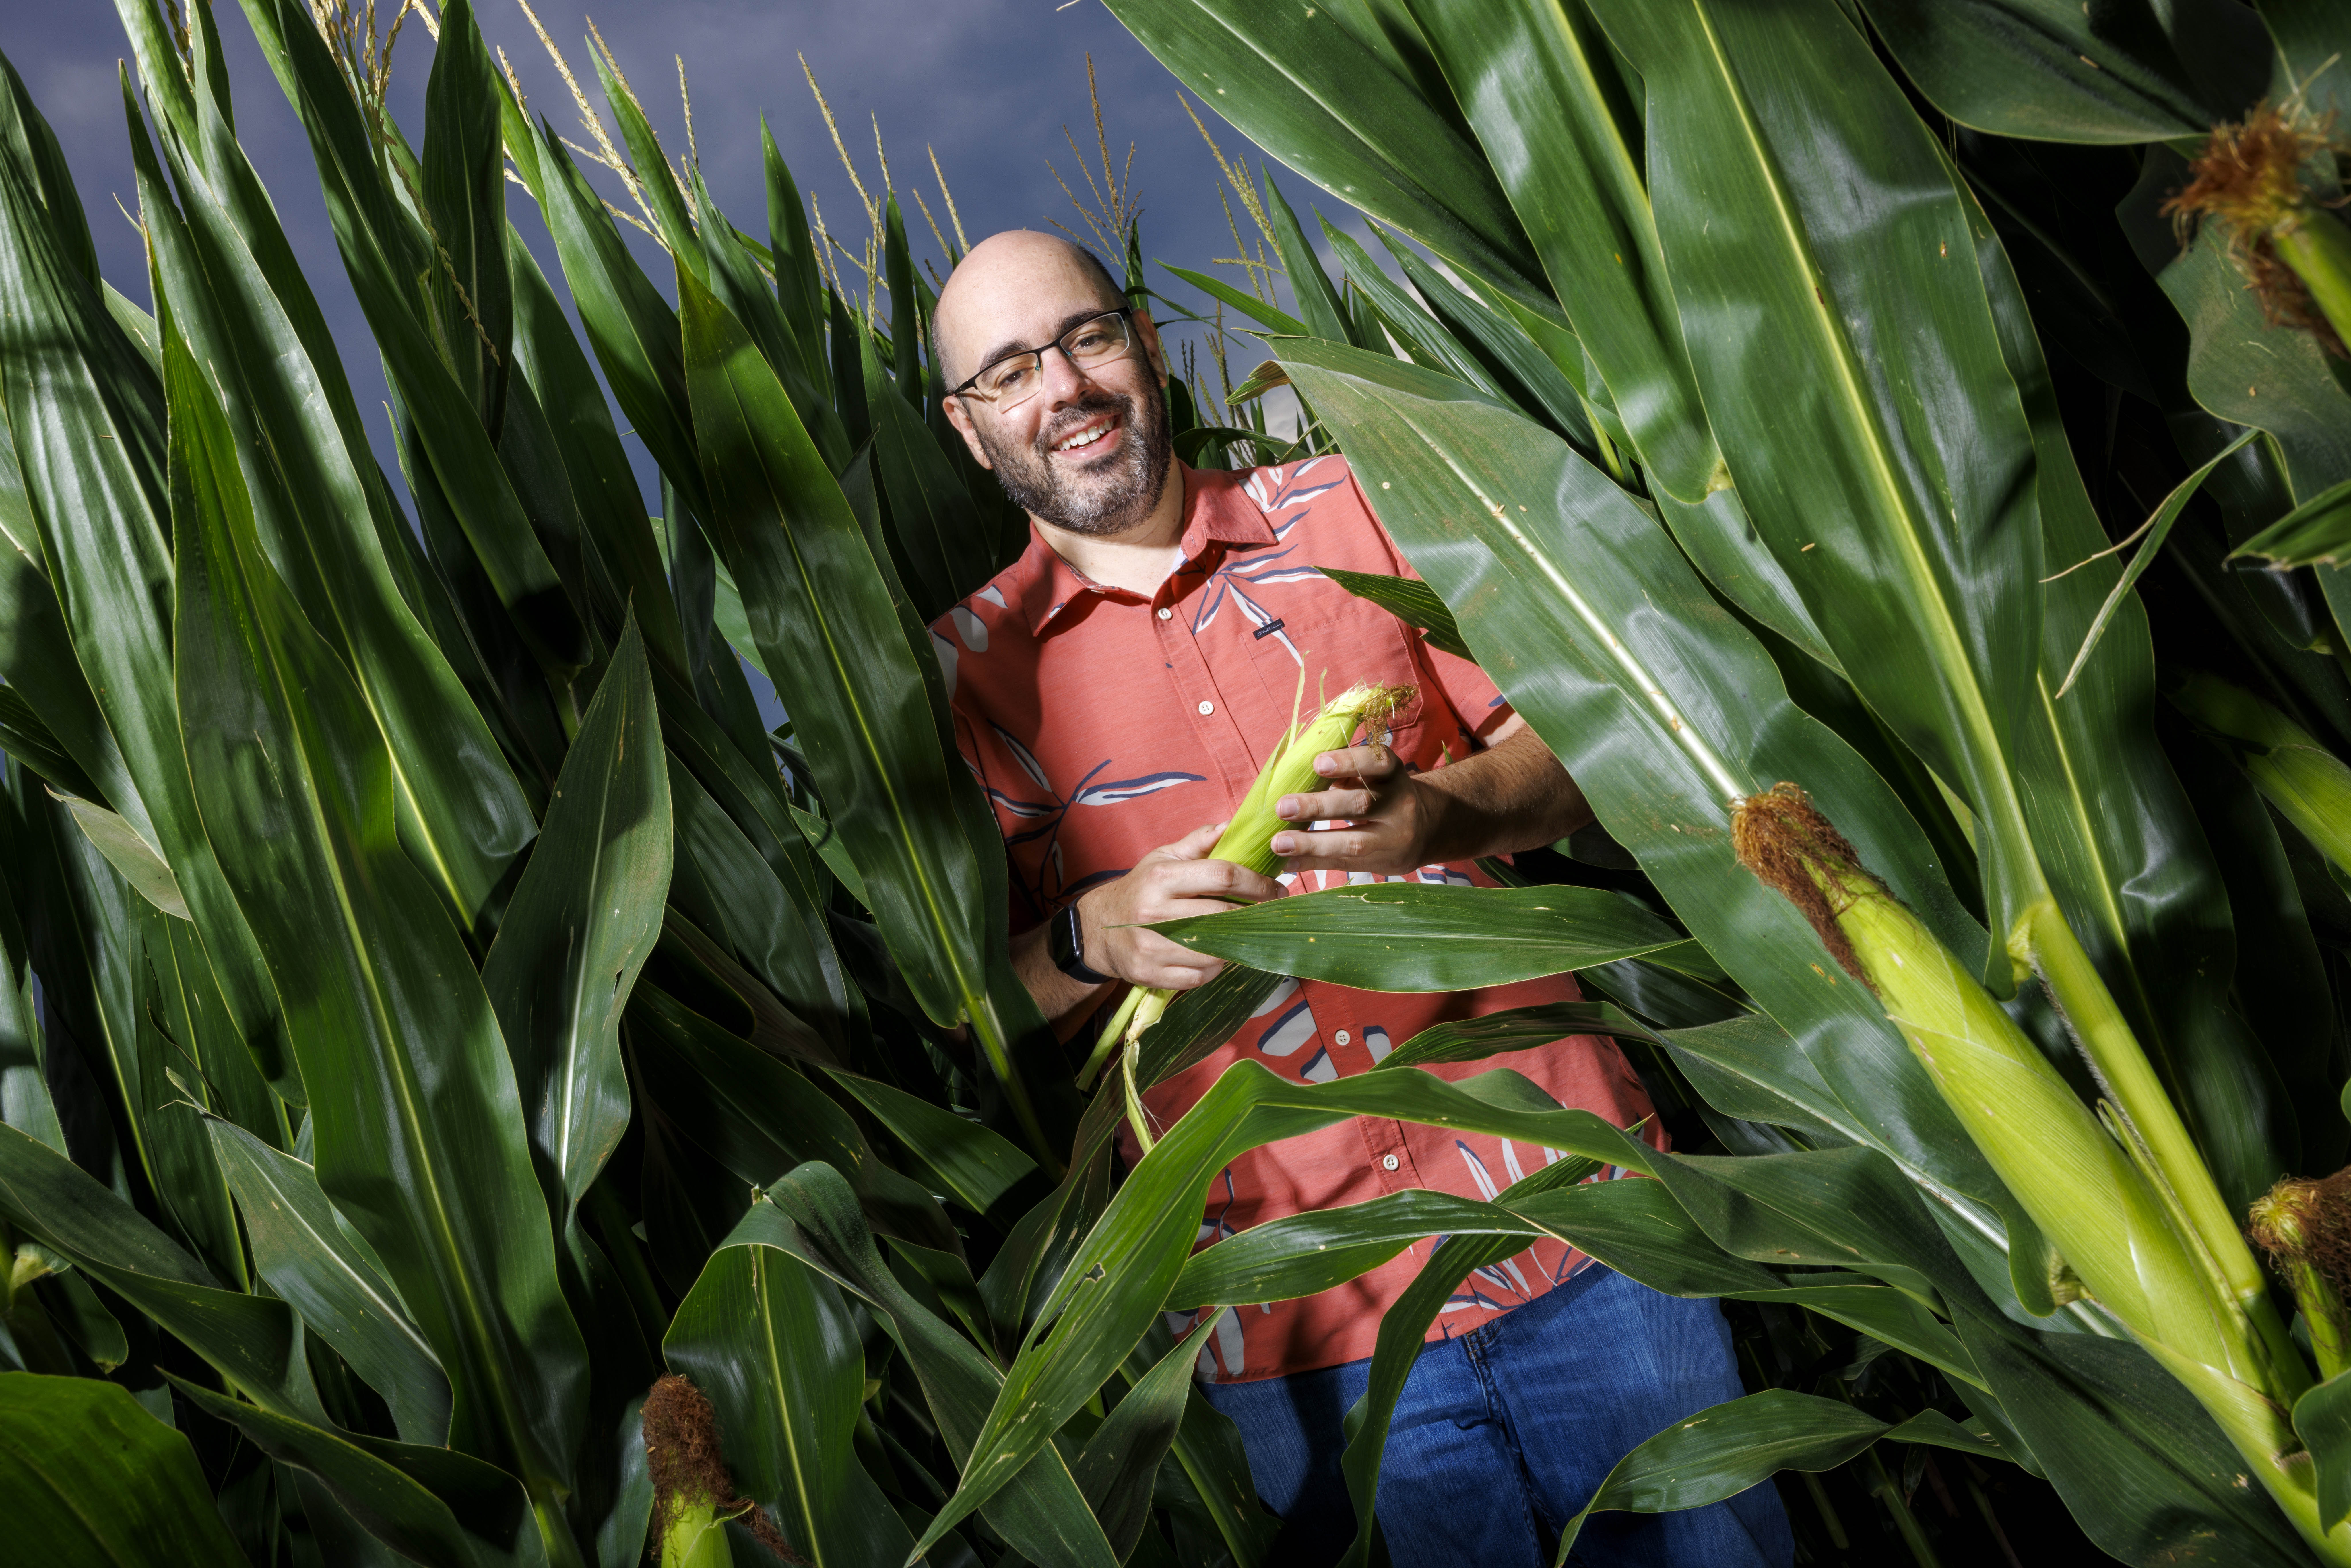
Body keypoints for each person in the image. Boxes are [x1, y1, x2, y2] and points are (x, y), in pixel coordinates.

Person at [928, 228, 1791, 1568]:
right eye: (1009, 371)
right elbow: (961, 1007)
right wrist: (1085, 934)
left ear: (1143, 342)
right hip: (1291, 1330)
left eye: (1088, 336)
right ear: (972, 431)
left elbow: (1588, 752)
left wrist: (1445, 809)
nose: (1064, 386)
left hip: (1578, 1227)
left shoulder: (1351, 509)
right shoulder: (962, 685)